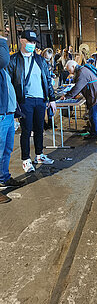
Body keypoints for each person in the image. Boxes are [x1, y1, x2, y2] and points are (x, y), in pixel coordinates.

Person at [6, 30, 56, 173]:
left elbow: (47, 80)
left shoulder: (40, 60)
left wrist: (51, 99)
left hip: (40, 100)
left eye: (34, 42)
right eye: (29, 42)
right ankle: (26, 159)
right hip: (24, 101)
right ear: (22, 40)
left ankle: (39, 155)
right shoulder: (13, 60)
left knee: (39, 129)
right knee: (26, 131)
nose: (32, 45)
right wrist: (13, 105)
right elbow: (9, 84)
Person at [0, 36, 25, 203]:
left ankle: (4, 177)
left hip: (7, 115)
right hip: (0, 116)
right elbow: (3, 59)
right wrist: (2, 40)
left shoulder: (2, 71)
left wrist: (15, 112)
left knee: (7, 149)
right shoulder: (1, 64)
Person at [61, 60, 97, 140]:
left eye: (69, 70)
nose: (69, 72)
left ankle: (94, 134)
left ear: (73, 66)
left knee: (93, 115)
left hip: (95, 94)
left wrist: (66, 96)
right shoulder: (83, 69)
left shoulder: (81, 72)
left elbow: (77, 87)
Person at [42, 48, 56, 130]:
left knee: (50, 105)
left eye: (49, 58)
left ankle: (50, 121)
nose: (47, 59)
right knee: (44, 105)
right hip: (43, 88)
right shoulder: (40, 63)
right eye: (46, 57)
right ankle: (44, 123)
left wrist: (52, 76)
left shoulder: (50, 64)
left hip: (49, 86)